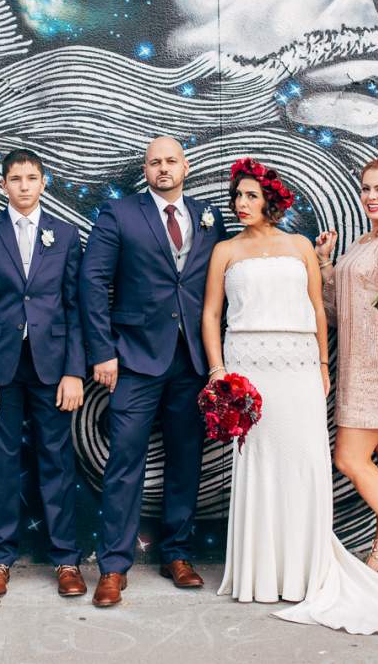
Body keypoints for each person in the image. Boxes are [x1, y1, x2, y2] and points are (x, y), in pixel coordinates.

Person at [203, 157, 378, 635]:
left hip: (359, 363)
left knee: (346, 457)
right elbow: (333, 305)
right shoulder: (360, 242)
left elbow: (324, 309)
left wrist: (321, 362)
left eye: (251, 195)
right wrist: (219, 371)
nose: (241, 204)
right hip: (273, 366)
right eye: (238, 196)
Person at [79, 135, 226, 607]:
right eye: (154, 162)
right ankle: (114, 566)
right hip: (135, 360)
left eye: (171, 160)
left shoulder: (209, 216)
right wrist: (103, 351)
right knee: (125, 462)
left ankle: (177, 554)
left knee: (187, 460)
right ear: (144, 170)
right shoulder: (119, 214)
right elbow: (92, 281)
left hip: (191, 361)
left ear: (186, 166)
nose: (163, 168)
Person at [0, 149, 87, 599]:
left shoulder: (66, 235)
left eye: (31, 178)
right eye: (15, 178)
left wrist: (75, 370)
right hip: (0, 367)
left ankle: (66, 560)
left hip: (53, 366)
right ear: (3, 185)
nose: (23, 186)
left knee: (56, 458)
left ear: (43, 182)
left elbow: (76, 306)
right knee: (0, 462)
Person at [316, 156, 378, 586]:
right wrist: (324, 265)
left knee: (349, 457)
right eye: (365, 189)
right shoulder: (362, 242)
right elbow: (338, 314)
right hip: (358, 362)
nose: (371, 197)